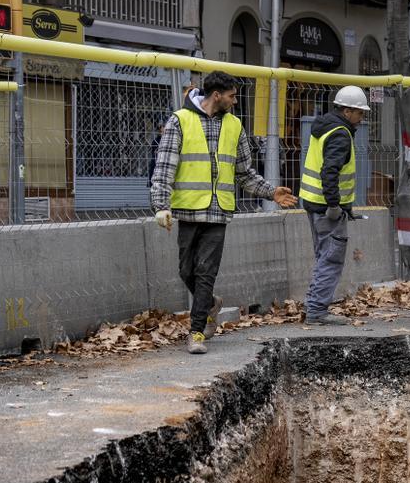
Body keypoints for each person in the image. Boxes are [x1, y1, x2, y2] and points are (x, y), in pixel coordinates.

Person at [150, 71, 297, 354]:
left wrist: (270, 192)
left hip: (218, 212)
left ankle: (196, 333)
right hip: (189, 209)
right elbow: (164, 167)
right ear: (216, 95)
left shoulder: (235, 126)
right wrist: (160, 206)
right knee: (186, 270)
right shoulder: (180, 121)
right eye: (231, 95)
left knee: (206, 271)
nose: (235, 100)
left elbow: (244, 173)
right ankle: (211, 303)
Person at [298, 85, 370, 325]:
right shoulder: (340, 134)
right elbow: (330, 171)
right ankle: (316, 310)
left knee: (323, 256)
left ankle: (312, 305)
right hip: (326, 208)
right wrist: (335, 205)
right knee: (331, 259)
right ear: (347, 111)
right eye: (360, 112)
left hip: (314, 202)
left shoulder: (325, 128)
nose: (362, 118)